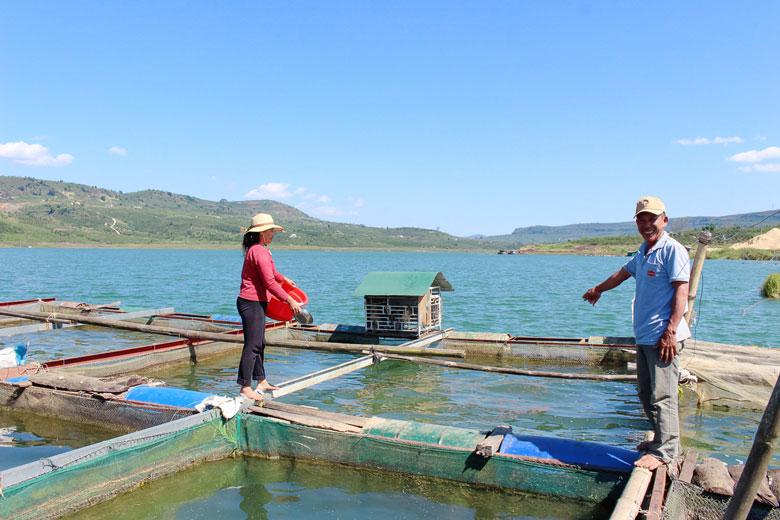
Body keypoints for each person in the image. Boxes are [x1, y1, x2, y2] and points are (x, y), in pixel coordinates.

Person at [582, 196, 690, 470]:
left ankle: (666, 451)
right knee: (644, 392)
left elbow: (681, 291)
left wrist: (671, 331)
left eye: (651, 219)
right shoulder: (643, 251)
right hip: (645, 335)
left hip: (664, 337)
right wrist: (598, 289)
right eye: (641, 219)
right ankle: (659, 440)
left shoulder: (672, 250)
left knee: (663, 395)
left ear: (664, 220)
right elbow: (622, 273)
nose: (646, 224)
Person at [237, 213, 302, 401]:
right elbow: (269, 283)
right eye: (272, 231)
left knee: (259, 342)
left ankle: (262, 380)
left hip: (255, 302)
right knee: (253, 345)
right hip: (251, 302)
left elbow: (272, 274)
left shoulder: (259, 250)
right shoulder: (259, 251)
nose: (273, 234)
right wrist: (289, 300)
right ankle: (245, 386)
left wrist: (284, 279)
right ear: (263, 233)